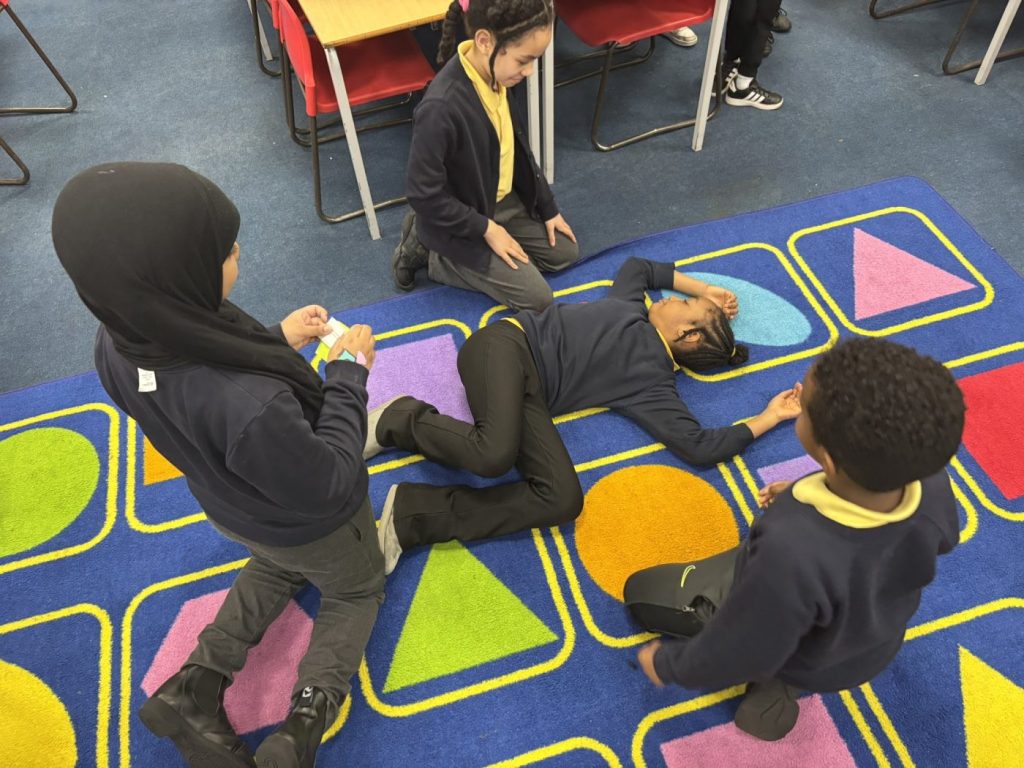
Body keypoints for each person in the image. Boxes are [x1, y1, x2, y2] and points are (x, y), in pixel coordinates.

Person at [53, 162, 385, 768]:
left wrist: (275, 339)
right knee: (357, 588)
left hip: (233, 508)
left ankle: (196, 681)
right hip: (314, 520)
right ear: (175, 280)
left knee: (278, 563)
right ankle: (304, 719)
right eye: (224, 251)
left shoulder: (118, 341)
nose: (237, 252)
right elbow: (330, 482)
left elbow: (205, 376)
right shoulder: (250, 407)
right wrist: (347, 377)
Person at [365, 256, 802, 574]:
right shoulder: (631, 306)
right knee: (493, 454)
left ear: (686, 334)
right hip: (505, 346)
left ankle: (413, 515)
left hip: (530, 394)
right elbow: (638, 268)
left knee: (562, 499)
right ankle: (399, 420)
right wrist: (703, 290)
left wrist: (771, 416)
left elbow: (699, 446)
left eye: (683, 304)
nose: (671, 299)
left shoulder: (653, 386)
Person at [630, 338, 965, 741]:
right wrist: (800, 490)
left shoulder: (791, 546)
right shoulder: (929, 480)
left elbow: (740, 643)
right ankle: (779, 682)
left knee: (640, 593)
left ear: (829, 460)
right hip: (872, 644)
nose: (800, 394)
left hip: (798, 649)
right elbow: (933, 536)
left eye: (806, 406)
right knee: (794, 628)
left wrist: (669, 665)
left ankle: (774, 683)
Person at [393, 0, 580, 312]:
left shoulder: (499, 73)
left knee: (565, 252)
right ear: (484, 42)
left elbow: (517, 146)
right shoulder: (440, 108)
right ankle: (432, 251)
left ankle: (468, 242)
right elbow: (422, 194)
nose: (529, 71)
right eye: (523, 60)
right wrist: (487, 229)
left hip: (497, 198)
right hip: (465, 219)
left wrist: (547, 207)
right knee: (538, 299)